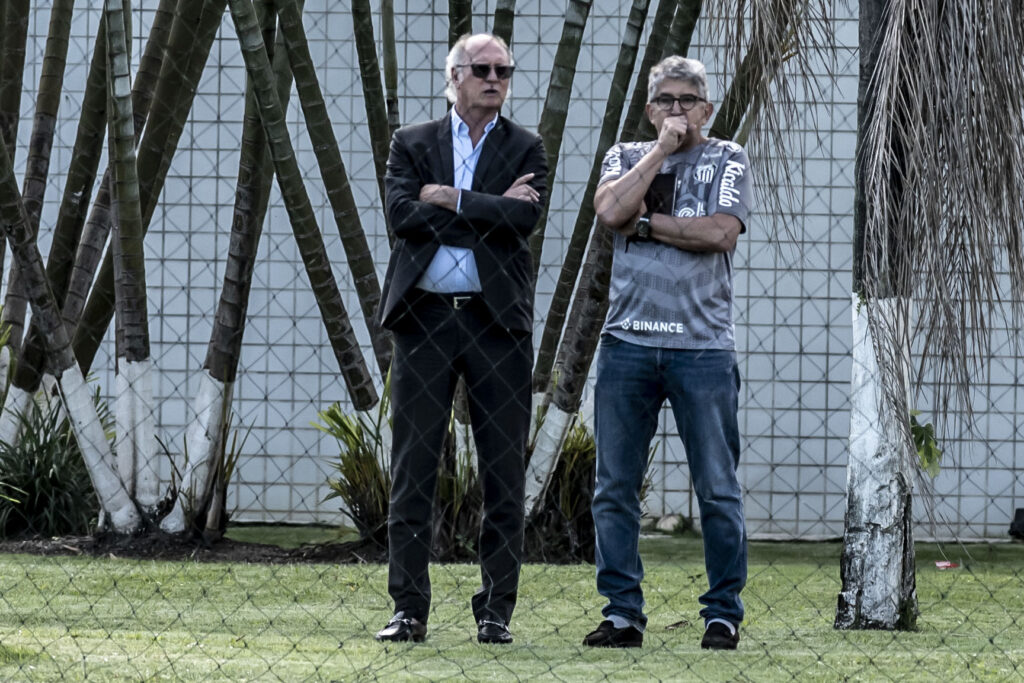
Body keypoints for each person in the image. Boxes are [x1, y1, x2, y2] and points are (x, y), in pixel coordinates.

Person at [373, 33, 547, 645]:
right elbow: (401, 216)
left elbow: (524, 220)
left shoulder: (527, 145)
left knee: (503, 471)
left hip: (495, 325)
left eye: (504, 70)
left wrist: (449, 198)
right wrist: (488, 207)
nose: (495, 79)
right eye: (482, 69)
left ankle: (496, 611)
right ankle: (408, 610)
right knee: (413, 470)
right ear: (454, 77)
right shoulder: (411, 142)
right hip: (424, 321)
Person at [583, 56, 753, 650]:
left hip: (702, 349)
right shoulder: (627, 156)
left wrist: (648, 224)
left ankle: (722, 613)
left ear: (707, 109)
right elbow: (607, 212)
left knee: (717, 487)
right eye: (666, 101)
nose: (677, 111)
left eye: (688, 101)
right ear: (650, 109)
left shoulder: (727, 156)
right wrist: (658, 152)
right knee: (614, 487)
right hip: (627, 344)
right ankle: (623, 614)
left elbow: (720, 233)